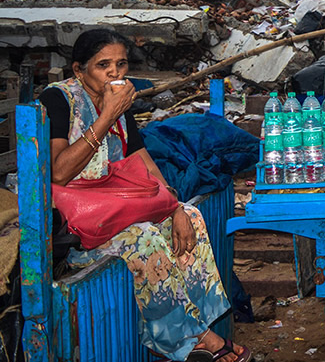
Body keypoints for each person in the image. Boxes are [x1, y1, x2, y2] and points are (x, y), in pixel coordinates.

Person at [39, 29, 250, 362]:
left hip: (112, 206)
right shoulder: (59, 99)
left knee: (191, 218)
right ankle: (186, 340)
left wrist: (175, 206)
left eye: (121, 64)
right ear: (79, 70)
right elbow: (60, 172)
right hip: (75, 222)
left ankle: (199, 328)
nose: (114, 73)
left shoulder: (119, 103)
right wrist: (107, 115)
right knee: (146, 237)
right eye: (102, 65)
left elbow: (143, 162)